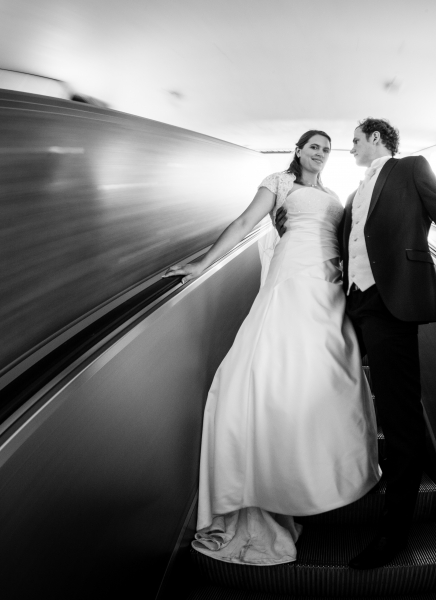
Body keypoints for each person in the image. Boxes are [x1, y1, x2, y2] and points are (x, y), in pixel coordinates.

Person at [276, 118, 436, 569]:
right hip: (350, 304)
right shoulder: (353, 195)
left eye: (355, 141)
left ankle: (393, 533)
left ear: (376, 138)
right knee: (323, 390)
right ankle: (324, 479)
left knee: (399, 416)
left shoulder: (412, 168)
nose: (351, 148)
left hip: (391, 304)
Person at [162, 130, 380, 565]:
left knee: (329, 368)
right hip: (292, 273)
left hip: (330, 283)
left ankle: (323, 469)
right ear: (298, 150)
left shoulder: (335, 195)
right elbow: (245, 223)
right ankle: (267, 476)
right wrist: (202, 263)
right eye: (313, 146)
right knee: (275, 364)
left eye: (327, 149)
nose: (321, 153)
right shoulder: (279, 183)